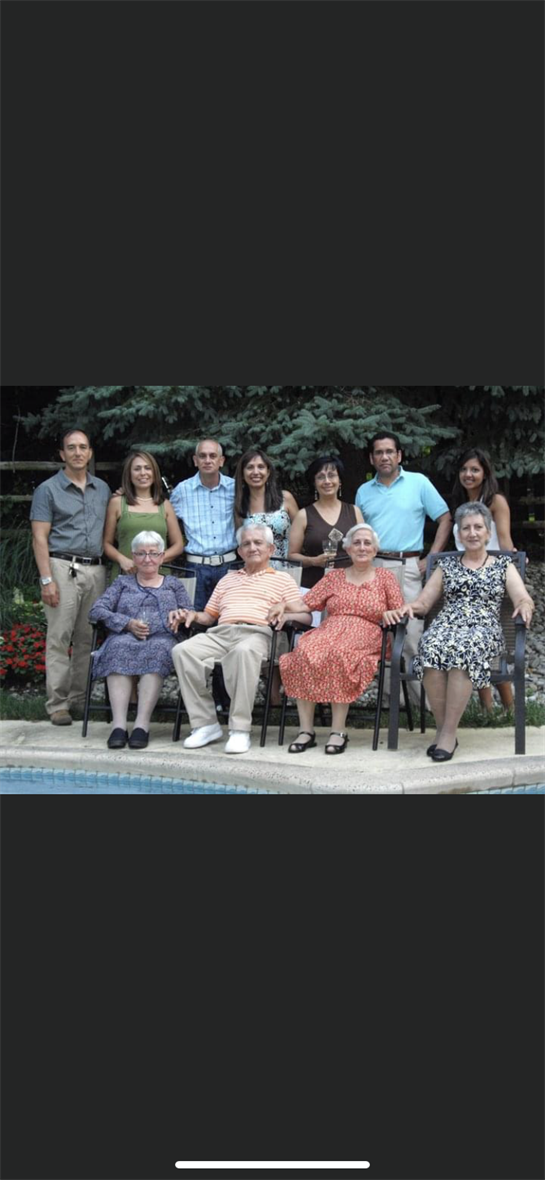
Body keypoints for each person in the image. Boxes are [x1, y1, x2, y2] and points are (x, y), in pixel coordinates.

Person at [383, 503, 534, 763]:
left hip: (483, 628)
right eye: (466, 528)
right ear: (459, 534)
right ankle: (446, 732)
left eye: (478, 527)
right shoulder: (447, 566)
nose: (472, 533)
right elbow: (423, 603)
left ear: (488, 533)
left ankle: (447, 734)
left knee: (462, 650)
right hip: (446, 625)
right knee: (430, 648)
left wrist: (524, 606)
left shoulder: (503, 565)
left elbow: (522, 597)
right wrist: (407, 607)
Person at [169, 524, 310, 755]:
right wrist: (191, 614)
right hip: (220, 634)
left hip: (260, 634)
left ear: (271, 549)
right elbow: (208, 616)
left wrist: (285, 609)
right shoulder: (227, 580)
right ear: (239, 551)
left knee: (243, 652)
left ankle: (240, 729)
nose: (252, 547)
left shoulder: (283, 579)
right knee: (182, 651)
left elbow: (305, 615)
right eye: (246, 544)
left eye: (258, 543)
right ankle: (206, 724)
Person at [275, 524, 404, 755]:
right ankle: (306, 731)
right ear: (348, 548)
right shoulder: (334, 577)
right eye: (357, 543)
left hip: (367, 633)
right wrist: (283, 604)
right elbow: (306, 604)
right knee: (304, 652)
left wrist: (389, 614)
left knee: (339, 654)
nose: (362, 547)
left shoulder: (385, 577)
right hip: (330, 630)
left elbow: (399, 611)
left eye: (367, 543)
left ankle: (338, 731)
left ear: (375, 549)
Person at [355, 432, 452, 706]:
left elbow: (445, 517)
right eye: (378, 452)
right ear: (371, 458)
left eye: (389, 451)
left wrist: (431, 557)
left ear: (399, 455)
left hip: (408, 564)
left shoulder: (418, 483)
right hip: (373, 567)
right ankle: (391, 703)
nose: (384, 457)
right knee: (381, 634)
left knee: (411, 635)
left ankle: (424, 704)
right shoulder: (364, 492)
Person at [30, 427, 111, 725]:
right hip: (62, 567)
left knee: (87, 638)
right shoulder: (48, 490)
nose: (78, 453)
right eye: (71, 448)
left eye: (83, 447)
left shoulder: (102, 488)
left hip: (96, 569)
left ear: (89, 453)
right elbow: (39, 538)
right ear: (62, 454)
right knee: (59, 637)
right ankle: (58, 704)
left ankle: (79, 699)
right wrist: (47, 579)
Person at [88, 532, 193, 750]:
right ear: (133, 557)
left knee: (158, 650)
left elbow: (190, 612)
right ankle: (118, 726)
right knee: (117, 648)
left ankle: (141, 725)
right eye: (141, 554)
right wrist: (127, 623)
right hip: (125, 636)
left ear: (162, 557)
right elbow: (97, 610)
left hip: (164, 638)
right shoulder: (122, 583)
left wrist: (181, 616)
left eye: (153, 553)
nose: (148, 559)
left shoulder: (173, 584)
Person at [451, 447, 517, 712]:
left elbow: (504, 543)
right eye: (465, 469)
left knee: (493, 646)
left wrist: (510, 581)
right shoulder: (461, 503)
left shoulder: (496, 501)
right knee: (472, 645)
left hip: (490, 580)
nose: (469, 474)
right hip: (463, 583)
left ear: (485, 473)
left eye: (475, 469)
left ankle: (510, 708)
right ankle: (487, 709)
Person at [170, 439, 238, 610]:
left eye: (213, 456)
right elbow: (163, 517)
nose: (208, 460)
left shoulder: (235, 488)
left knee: (229, 619)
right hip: (196, 568)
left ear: (221, 461)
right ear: (195, 460)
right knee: (194, 621)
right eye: (202, 456)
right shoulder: (182, 490)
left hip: (230, 566)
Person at [103, 451, 184, 579]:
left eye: (147, 468)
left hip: (159, 577)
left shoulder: (165, 505)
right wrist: (122, 559)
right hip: (126, 574)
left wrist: (156, 560)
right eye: (137, 469)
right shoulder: (117, 503)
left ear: (154, 473)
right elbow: (106, 543)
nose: (143, 473)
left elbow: (178, 544)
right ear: (129, 474)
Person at [288, 456, 364, 589]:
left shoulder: (354, 511)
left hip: (351, 586)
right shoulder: (303, 515)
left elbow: (365, 548)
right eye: (321, 477)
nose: (327, 481)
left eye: (332, 475)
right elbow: (291, 556)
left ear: (340, 481)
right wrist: (313, 561)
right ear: (314, 483)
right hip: (314, 586)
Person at [234, 448, 299, 561]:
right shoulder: (239, 505)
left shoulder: (285, 498)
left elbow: (301, 534)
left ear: (268, 472)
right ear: (242, 474)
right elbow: (242, 544)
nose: (255, 472)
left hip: (287, 568)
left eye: (261, 467)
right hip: (256, 572)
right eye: (250, 467)